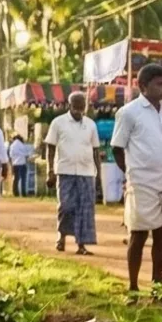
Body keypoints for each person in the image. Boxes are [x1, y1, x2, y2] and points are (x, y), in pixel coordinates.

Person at [109, 61, 162, 294]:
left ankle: (157, 283)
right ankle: (133, 285)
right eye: (159, 84)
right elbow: (117, 147)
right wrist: (129, 173)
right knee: (138, 234)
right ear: (143, 86)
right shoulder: (128, 113)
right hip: (141, 181)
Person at [46, 90, 100, 254]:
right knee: (66, 206)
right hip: (65, 170)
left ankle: (81, 245)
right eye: (75, 107)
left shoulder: (90, 124)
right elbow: (50, 147)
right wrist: (50, 171)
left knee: (85, 208)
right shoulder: (58, 123)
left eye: (81, 108)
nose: (78, 111)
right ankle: (61, 237)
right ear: (70, 106)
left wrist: (98, 174)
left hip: (86, 171)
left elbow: (95, 150)